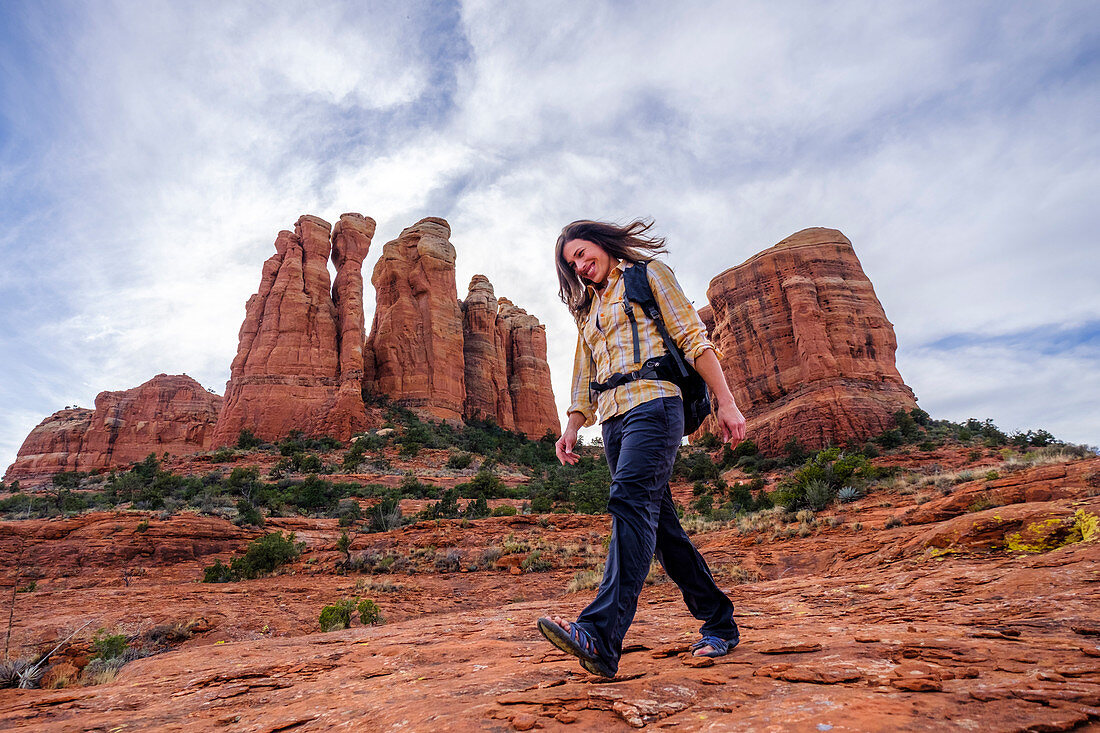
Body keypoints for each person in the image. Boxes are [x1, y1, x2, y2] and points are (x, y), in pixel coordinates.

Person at [536, 219, 747, 678]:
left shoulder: (649, 274)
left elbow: (694, 339)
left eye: (582, 251)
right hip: (613, 419)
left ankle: (599, 634)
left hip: (656, 403)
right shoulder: (587, 309)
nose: (580, 263)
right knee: (663, 532)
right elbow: (583, 372)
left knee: (630, 501)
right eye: (571, 262)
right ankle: (720, 623)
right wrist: (571, 425)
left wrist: (727, 403)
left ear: (602, 242)